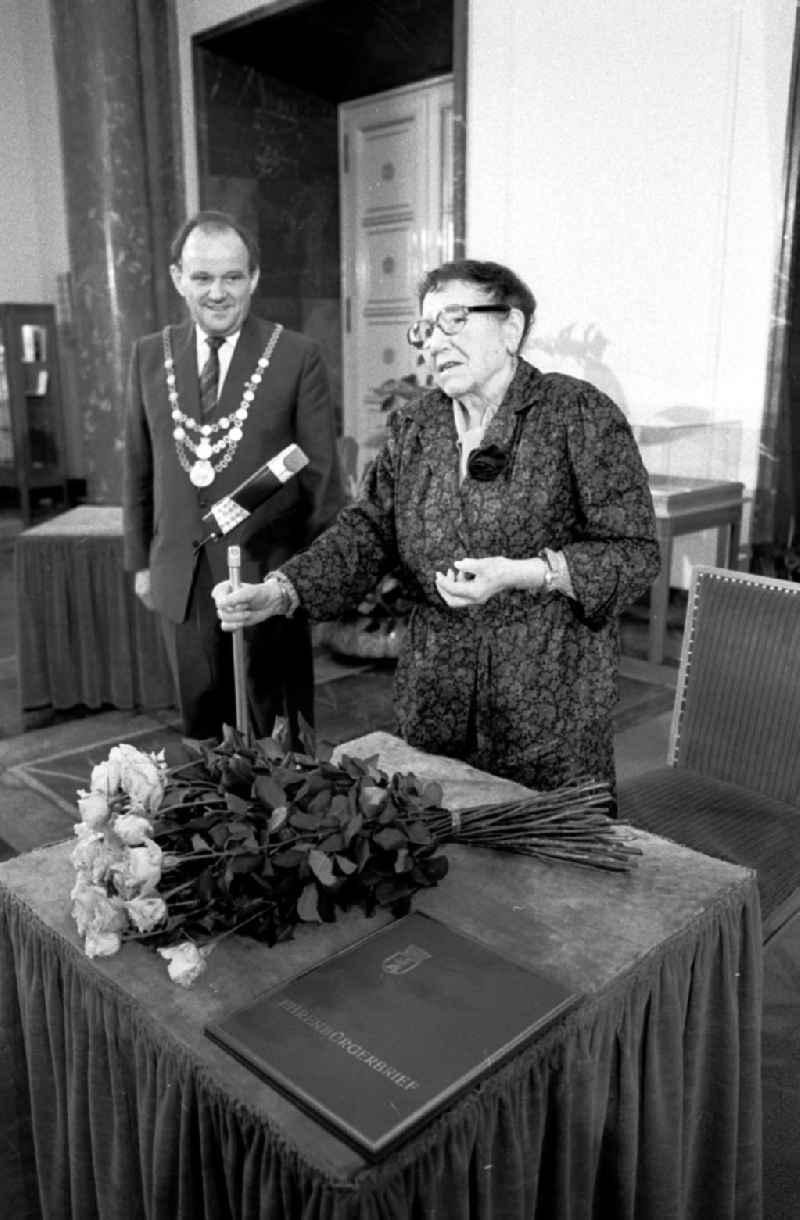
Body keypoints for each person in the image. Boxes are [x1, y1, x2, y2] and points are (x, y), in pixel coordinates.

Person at [212, 258, 660, 796]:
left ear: (511, 328)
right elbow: (368, 531)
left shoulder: (578, 415)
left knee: (548, 869)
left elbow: (634, 553)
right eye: (425, 328)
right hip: (436, 702)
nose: (434, 341)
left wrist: (528, 573)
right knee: (445, 864)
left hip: (547, 710)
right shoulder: (417, 425)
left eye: (454, 320)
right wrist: (281, 590)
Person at [123, 209, 344, 742]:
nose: (217, 292)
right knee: (201, 721)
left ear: (254, 278)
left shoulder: (296, 355)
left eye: (232, 277)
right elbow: (138, 467)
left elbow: (321, 477)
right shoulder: (150, 356)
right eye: (202, 277)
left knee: (274, 724)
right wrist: (141, 564)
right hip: (182, 569)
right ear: (178, 278)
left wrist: (308, 578)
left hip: (268, 572)